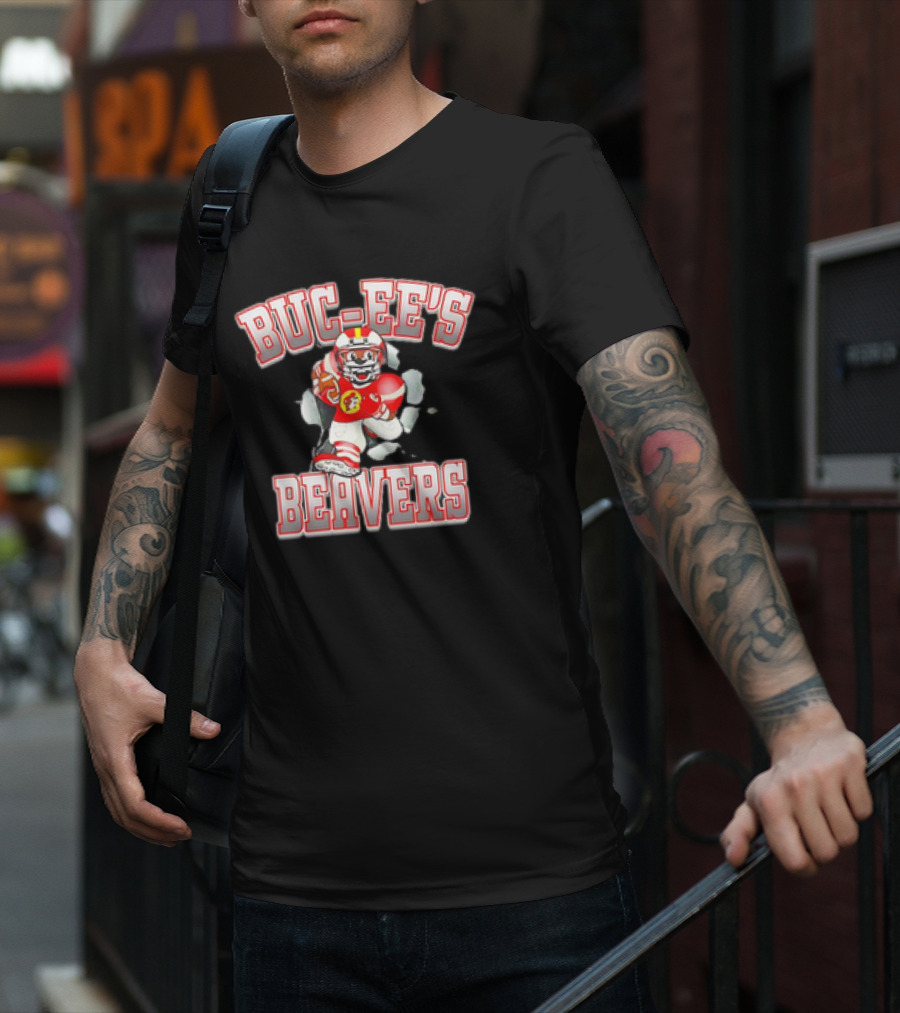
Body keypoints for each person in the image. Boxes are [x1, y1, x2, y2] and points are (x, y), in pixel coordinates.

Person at [74, 2, 873, 1010]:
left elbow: (667, 458)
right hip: (293, 894)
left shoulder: (539, 176)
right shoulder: (227, 196)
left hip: (534, 892)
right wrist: (102, 647)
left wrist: (798, 717)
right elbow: (171, 429)